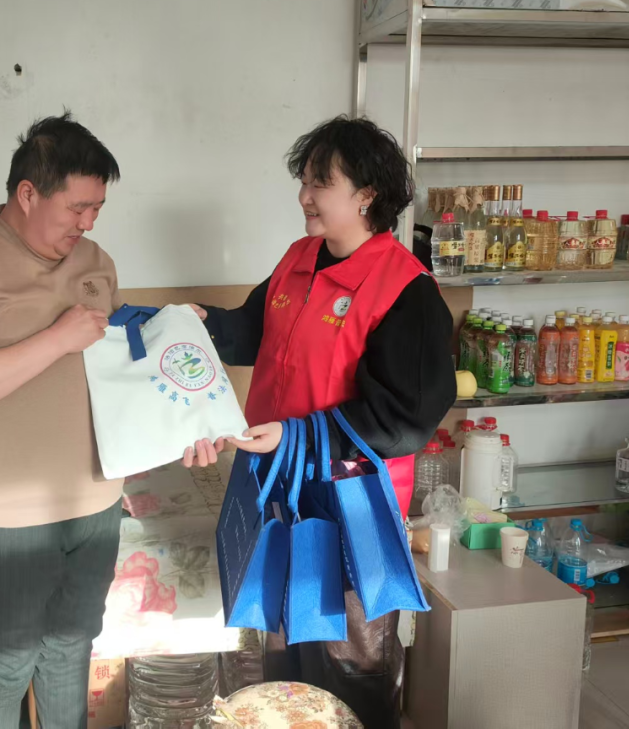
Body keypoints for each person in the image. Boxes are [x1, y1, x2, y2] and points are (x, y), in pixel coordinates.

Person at [0, 112, 216, 729]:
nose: (88, 223)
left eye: (97, 208)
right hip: (10, 516)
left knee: (70, 652)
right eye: (77, 208)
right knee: (4, 665)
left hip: (95, 503)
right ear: (28, 194)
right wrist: (57, 338)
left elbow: (119, 367)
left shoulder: (95, 260)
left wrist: (178, 359)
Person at [189, 116, 456, 728]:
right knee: (287, 659)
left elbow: (406, 417)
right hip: (280, 489)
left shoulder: (405, 289)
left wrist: (297, 435)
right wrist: (198, 325)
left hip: (352, 505)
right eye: (304, 180)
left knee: (349, 667)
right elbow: (252, 331)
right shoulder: (299, 259)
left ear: (366, 195)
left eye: (320, 182)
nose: (304, 195)